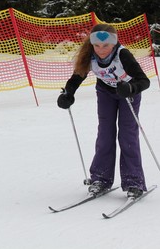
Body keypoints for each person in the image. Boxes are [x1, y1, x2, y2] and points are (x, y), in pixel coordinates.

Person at [57, 23, 150, 198]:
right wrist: (68, 94)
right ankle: (100, 178)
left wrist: (131, 88)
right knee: (105, 134)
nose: (101, 50)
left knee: (127, 135)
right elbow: (77, 77)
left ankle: (134, 182)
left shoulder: (123, 55)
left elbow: (144, 81)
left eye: (105, 45)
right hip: (106, 93)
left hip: (128, 94)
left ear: (113, 43)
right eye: (97, 45)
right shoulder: (90, 55)